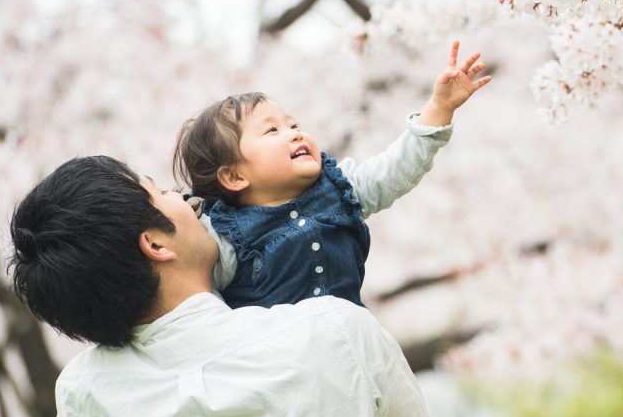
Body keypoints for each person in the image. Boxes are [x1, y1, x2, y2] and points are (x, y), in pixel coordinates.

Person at [9, 155, 430, 417]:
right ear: (157, 244)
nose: (190, 202)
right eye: (162, 193)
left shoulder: (82, 392)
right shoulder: (335, 330)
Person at [173, 41, 490, 309]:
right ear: (234, 176)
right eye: (272, 130)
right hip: (276, 363)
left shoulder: (341, 188)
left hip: (347, 347)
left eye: (294, 125)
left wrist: (438, 108)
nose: (295, 134)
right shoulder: (221, 237)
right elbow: (194, 300)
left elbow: (395, 168)